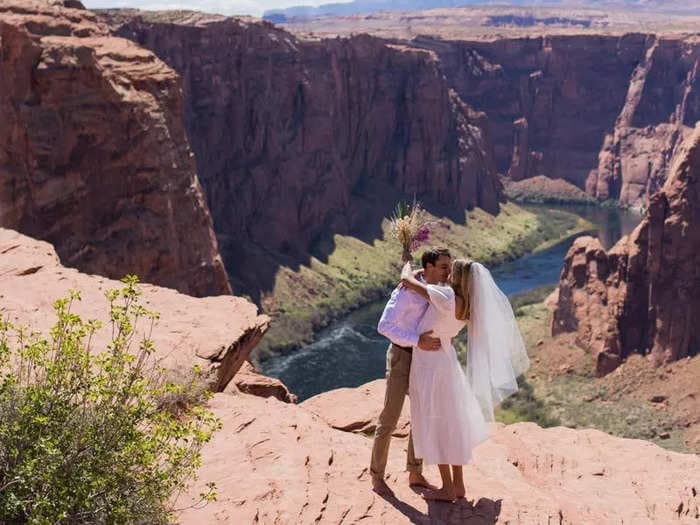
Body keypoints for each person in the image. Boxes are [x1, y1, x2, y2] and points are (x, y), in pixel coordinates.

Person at [399, 258, 530, 502]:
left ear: (458, 277)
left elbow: (407, 282)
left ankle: (448, 488)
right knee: (451, 423)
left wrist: (409, 265)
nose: (447, 272)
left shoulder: (446, 297)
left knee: (436, 423)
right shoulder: (469, 307)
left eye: (451, 269)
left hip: (430, 364)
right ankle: (458, 485)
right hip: (447, 361)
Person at [370, 247, 451, 497]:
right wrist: (417, 340)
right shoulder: (405, 292)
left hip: (424, 359)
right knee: (390, 417)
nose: (448, 271)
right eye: (443, 267)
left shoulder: (436, 290)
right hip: (402, 357)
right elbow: (384, 326)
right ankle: (377, 476)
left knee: (422, 416)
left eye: (449, 266)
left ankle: (415, 472)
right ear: (428, 268)